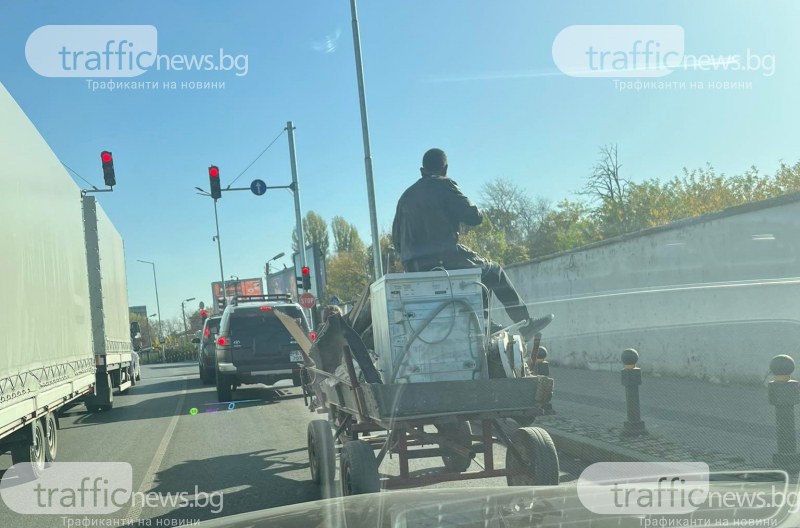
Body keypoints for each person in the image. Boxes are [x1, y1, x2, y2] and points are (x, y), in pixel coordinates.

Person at [391, 148, 553, 342]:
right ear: (446, 169)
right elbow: (473, 216)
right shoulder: (444, 184)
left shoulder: (405, 197)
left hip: (413, 268)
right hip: (445, 259)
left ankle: (485, 323)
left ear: (421, 170)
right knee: (493, 271)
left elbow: (397, 242)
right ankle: (523, 324)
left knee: (478, 272)